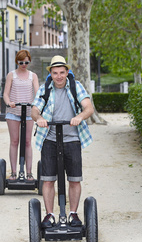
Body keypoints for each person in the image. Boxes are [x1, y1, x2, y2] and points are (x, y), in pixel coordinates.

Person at [31, 55, 94, 228]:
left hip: (72, 139)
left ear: (67, 72)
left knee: (74, 179)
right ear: (50, 73)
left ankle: (73, 214)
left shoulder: (76, 86)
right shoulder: (45, 89)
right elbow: (34, 110)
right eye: (55, 73)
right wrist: (40, 118)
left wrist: (79, 116)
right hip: (49, 139)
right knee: (48, 179)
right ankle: (50, 215)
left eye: (62, 72)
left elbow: (89, 107)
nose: (58, 76)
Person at [3, 50, 40, 182]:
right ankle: (13, 172)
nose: (24, 64)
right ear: (17, 61)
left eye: (26, 62)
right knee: (14, 141)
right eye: (21, 62)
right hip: (13, 113)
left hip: (28, 113)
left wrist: (37, 104)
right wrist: (9, 103)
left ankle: (29, 172)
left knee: (28, 142)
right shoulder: (11, 75)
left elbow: (37, 92)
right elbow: (6, 94)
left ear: (29, 61)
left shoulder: (33, 76)